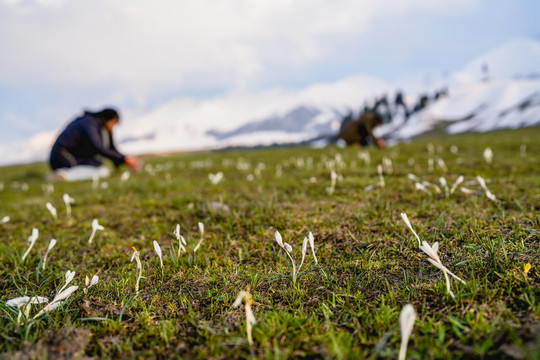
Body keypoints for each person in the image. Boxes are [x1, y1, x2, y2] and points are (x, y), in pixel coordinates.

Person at [48, 108, 140, 181]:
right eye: (114, 124)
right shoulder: (90, 123)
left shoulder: (96, 124)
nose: (113, 128)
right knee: (101, 171)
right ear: (111, 119)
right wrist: (124, 159)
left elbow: (111, 148)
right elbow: (99, 147)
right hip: (62, 157)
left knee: (98, 164)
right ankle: (65, 176)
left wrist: (123, 159)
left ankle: (64, 174)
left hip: (70, 156)